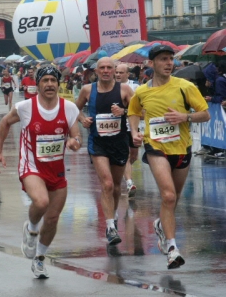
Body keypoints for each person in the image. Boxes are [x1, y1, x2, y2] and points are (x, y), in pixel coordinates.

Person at [0, 65, 82, 279]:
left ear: (59, 84)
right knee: (41, 202)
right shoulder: (25, 107)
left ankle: (39, 259)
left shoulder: (69, 108)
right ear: (37, 84)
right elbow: (4, 122)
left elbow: (76, 136)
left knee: (52, 219)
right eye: (45, 80)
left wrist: (74, 142)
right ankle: (30, 228)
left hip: (56, 170)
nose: (49, 84)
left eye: (53, 80)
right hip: (31, 167)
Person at [128, 45, 210, 269]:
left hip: (182, 148)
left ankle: (161, 224)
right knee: (168, 195)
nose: (168, 63)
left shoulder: (185, 87)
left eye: (171, 59)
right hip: (156, 147)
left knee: (172, 198)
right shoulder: (143, 91)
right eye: (163, 59)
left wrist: (185, 116)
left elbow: (205, 114)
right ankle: (173, 248)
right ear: (152, 63)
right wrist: (135, 131)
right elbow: (133, 111)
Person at [75, 57, 134, 245]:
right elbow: (73, 110)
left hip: (119, 142)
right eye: (103, 68)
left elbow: (138, 111)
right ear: (97, 71)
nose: (106, 70)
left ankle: (114, 216)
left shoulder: (124, 90)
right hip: (98, 142)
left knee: (116, 186)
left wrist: (123, 112)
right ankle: (110, 226)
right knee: (107, 184)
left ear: (115, 70)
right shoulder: (87, 90)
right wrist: (82, 119)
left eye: (110, 67)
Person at [115, 63, 140, 197]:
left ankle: (123, 171)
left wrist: (123, 111)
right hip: (120, 126)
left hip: (133, 126)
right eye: (116, 72)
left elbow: (139, 109)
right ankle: (129, 182)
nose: (118, 75)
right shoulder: (111, 86)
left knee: (133, 156)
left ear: (127, 74)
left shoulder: (135, 87)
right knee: (126, 156)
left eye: (121, 72)